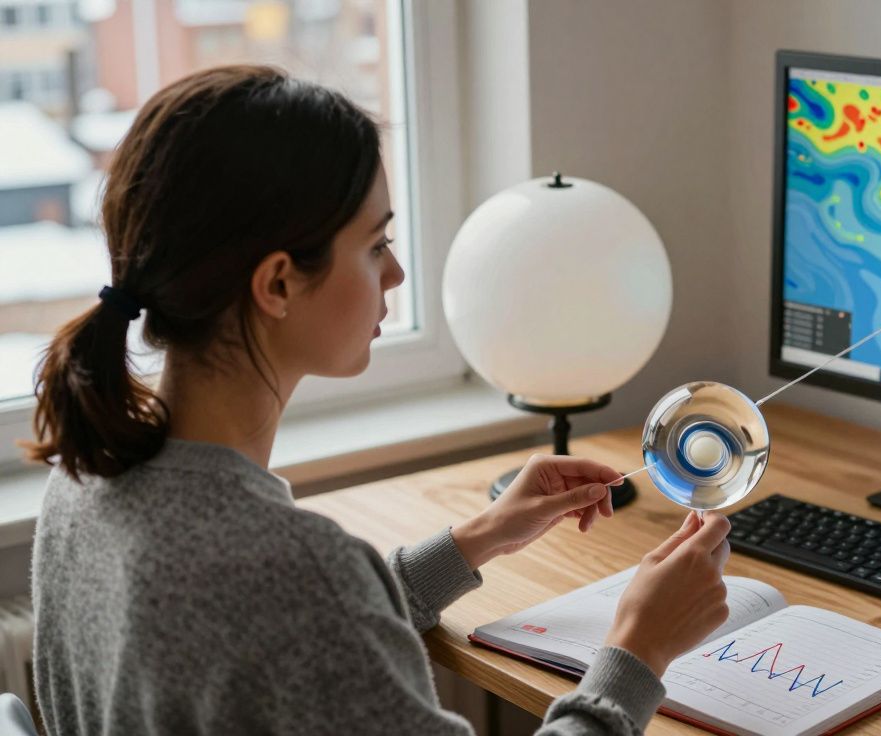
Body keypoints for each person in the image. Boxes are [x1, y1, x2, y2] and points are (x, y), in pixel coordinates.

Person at [26, 65, 731, 735]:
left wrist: (477, 538)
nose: (394, 273)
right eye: (375, 245)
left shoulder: (85, 481)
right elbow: (302, 610)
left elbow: (291, 637)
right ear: (276, 285)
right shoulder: (291, 573)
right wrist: (638, 652)